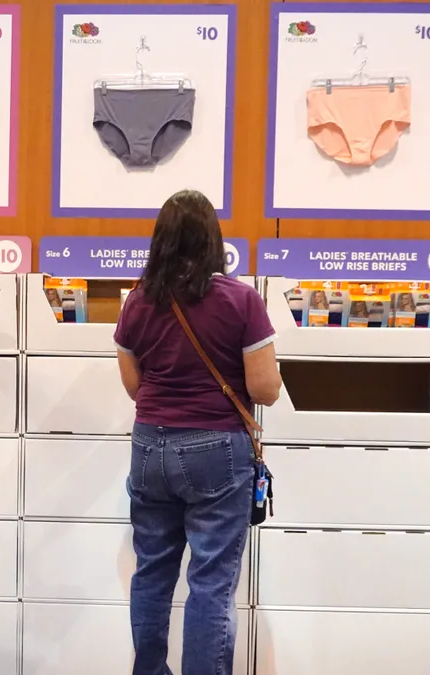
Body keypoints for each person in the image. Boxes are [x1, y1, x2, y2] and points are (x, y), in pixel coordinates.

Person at [112, 189, 282, 675]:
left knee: (152, 573)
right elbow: (264, 389)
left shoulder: (138, 301)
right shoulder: (240, 300)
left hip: (149, 447)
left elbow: (133, 385)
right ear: (213, 240)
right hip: (216, 450)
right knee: (210, 581)